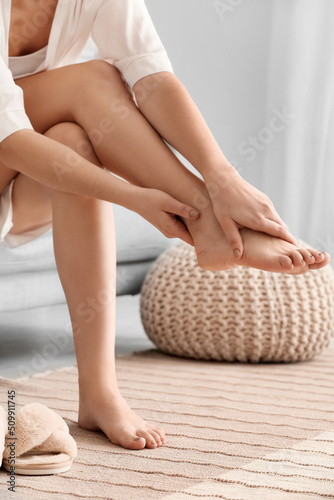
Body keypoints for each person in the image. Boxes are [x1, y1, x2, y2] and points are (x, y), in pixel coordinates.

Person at [0, 0, 330, 450]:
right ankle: (206, 225)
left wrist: (224, 179)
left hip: (20, 184)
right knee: (91, 78)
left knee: (72, 140)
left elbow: (151, 74)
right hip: (11, 148)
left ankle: (99, 393)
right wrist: (136, 199)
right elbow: (11, 140)